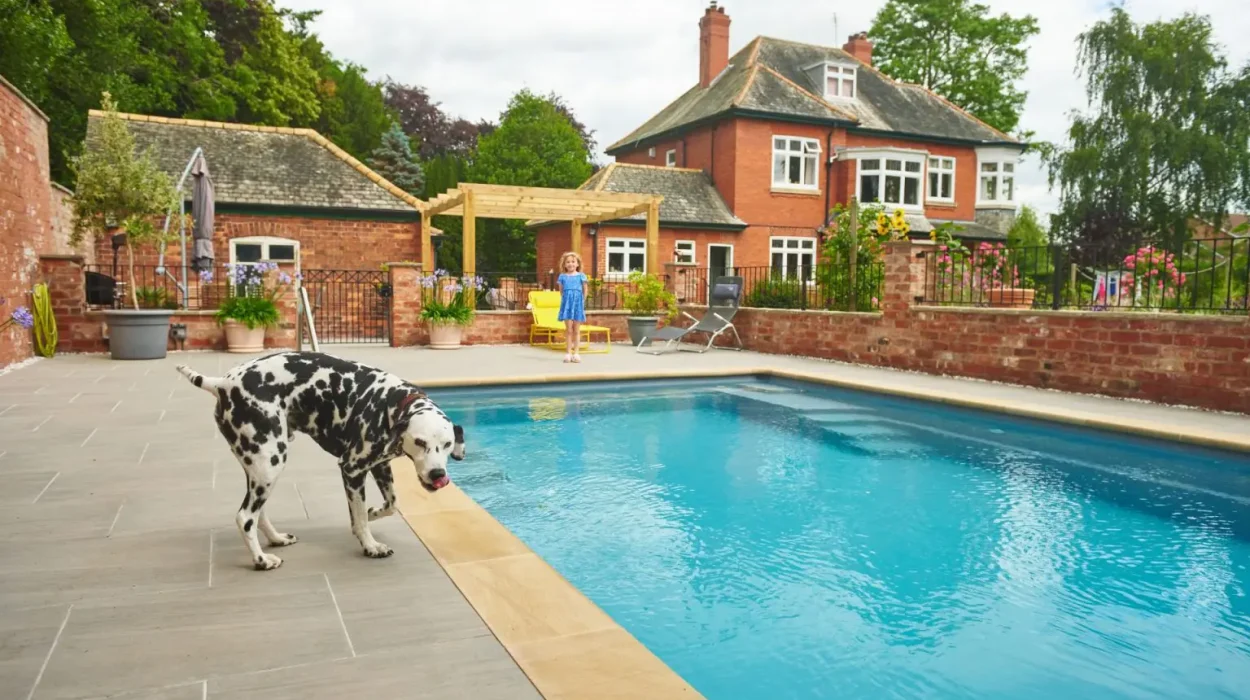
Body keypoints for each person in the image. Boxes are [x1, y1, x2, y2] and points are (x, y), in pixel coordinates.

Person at [556, 251, 588, 363]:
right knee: (568, 330)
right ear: (564, 265)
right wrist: (566, 302)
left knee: (577, 330)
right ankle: (568, 352)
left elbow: (585, 290)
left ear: (577, 264)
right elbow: (561, 291)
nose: (570, 264)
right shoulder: (562, 276)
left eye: (573, 262)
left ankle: (576, 353)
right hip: (567, 305)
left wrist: (582, 301)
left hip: (578, 304)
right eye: (568, 262)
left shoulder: (581, 276)